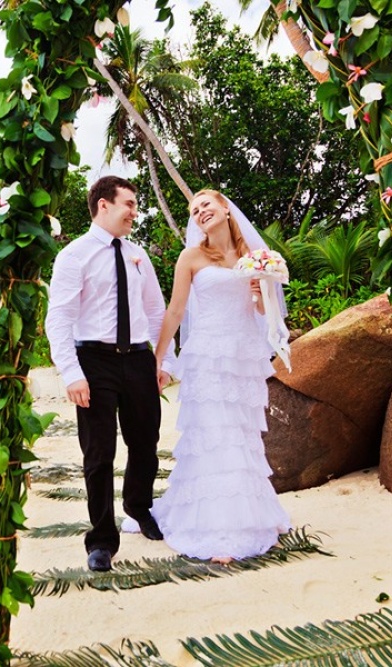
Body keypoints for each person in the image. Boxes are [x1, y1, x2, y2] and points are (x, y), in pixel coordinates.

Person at [124, 188, 290, 562]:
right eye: (195, 210)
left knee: (242, 436)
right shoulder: (191, 257)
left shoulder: (254, 256)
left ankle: (252, 516)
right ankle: (218, 530)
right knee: (214, 435)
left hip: (242, 358)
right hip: (207, 357)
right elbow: (175, 311)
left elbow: (264, 312)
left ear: (226, 209)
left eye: (206, 205)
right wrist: (158, 358)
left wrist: (259, 291)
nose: (200, 212)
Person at [44, 175, 175, 573]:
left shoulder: (138, 254)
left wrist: (164, 361)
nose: (134, 212)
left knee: (146, 441)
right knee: (99, 454)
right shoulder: (74, 255)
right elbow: (59, 317)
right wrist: (71, 373)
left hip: (138, 359)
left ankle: (138, 506)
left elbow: (156, 310)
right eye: (129, 204)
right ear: (104, 205)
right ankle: (101, 540)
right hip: (94, 361)